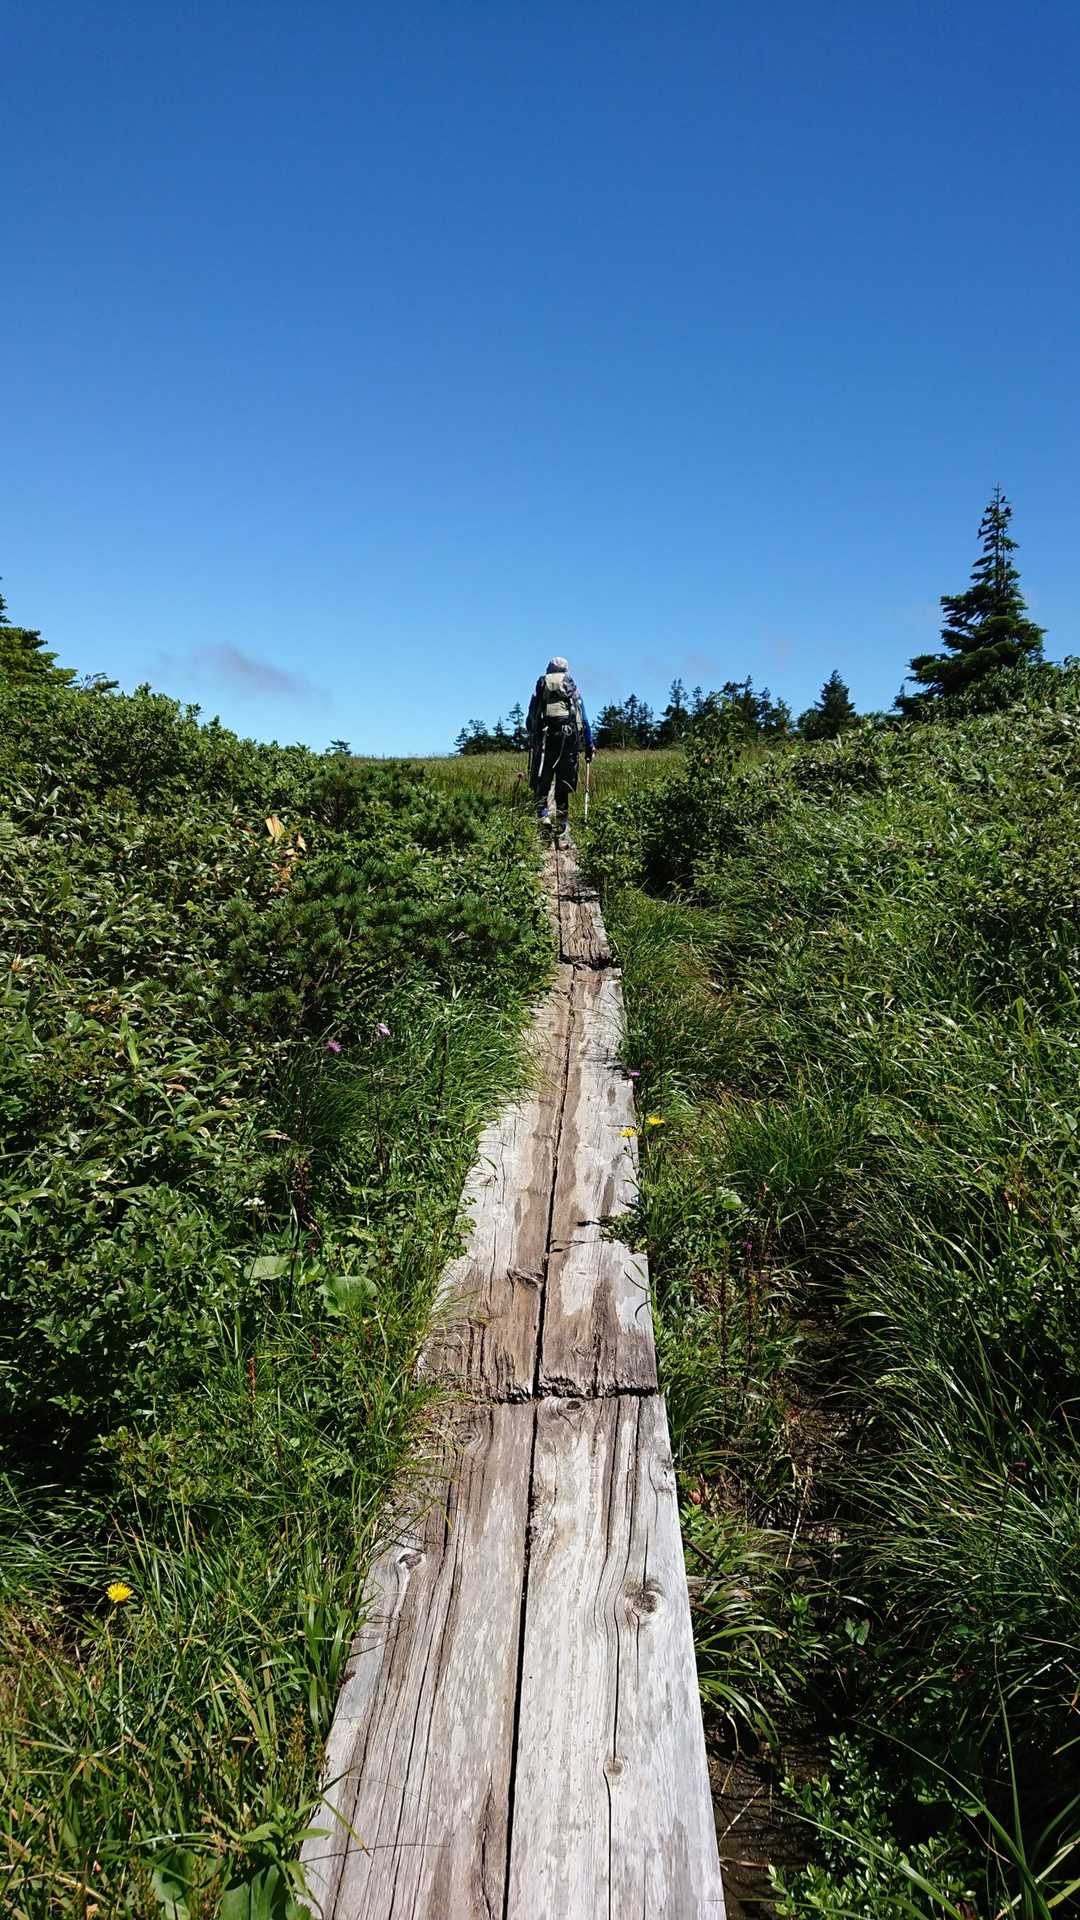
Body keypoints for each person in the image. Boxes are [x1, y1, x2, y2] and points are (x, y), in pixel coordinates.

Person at [526, 656, 594, 840]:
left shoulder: (541, 687)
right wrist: (589, 745)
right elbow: (584, 719)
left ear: (548, 670)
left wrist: (534, 735)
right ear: (566, 671)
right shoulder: (572, 688)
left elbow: (531, 719)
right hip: (568, 739)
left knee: (542, 782)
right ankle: (563, 826)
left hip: (546, 739)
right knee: (563, 785)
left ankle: (544, 818)